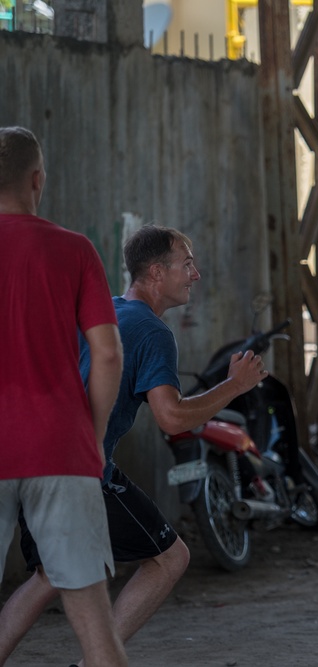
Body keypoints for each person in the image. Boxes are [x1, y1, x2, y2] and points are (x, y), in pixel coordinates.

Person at [0, 225, 268, 666]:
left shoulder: (104, 311)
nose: (195, 274)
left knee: (48, 576)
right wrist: (234, 386)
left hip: (33, 457)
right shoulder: (152, 332)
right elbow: (173, 416)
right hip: (79, 467)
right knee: (169, 558)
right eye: (187, 263)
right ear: (156, 273)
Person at [0, 126, 128, 666]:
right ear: (37, 179)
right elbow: (107, 355)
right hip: (61, 447)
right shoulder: (75, 249)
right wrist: (92, 437)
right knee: (99, 638)